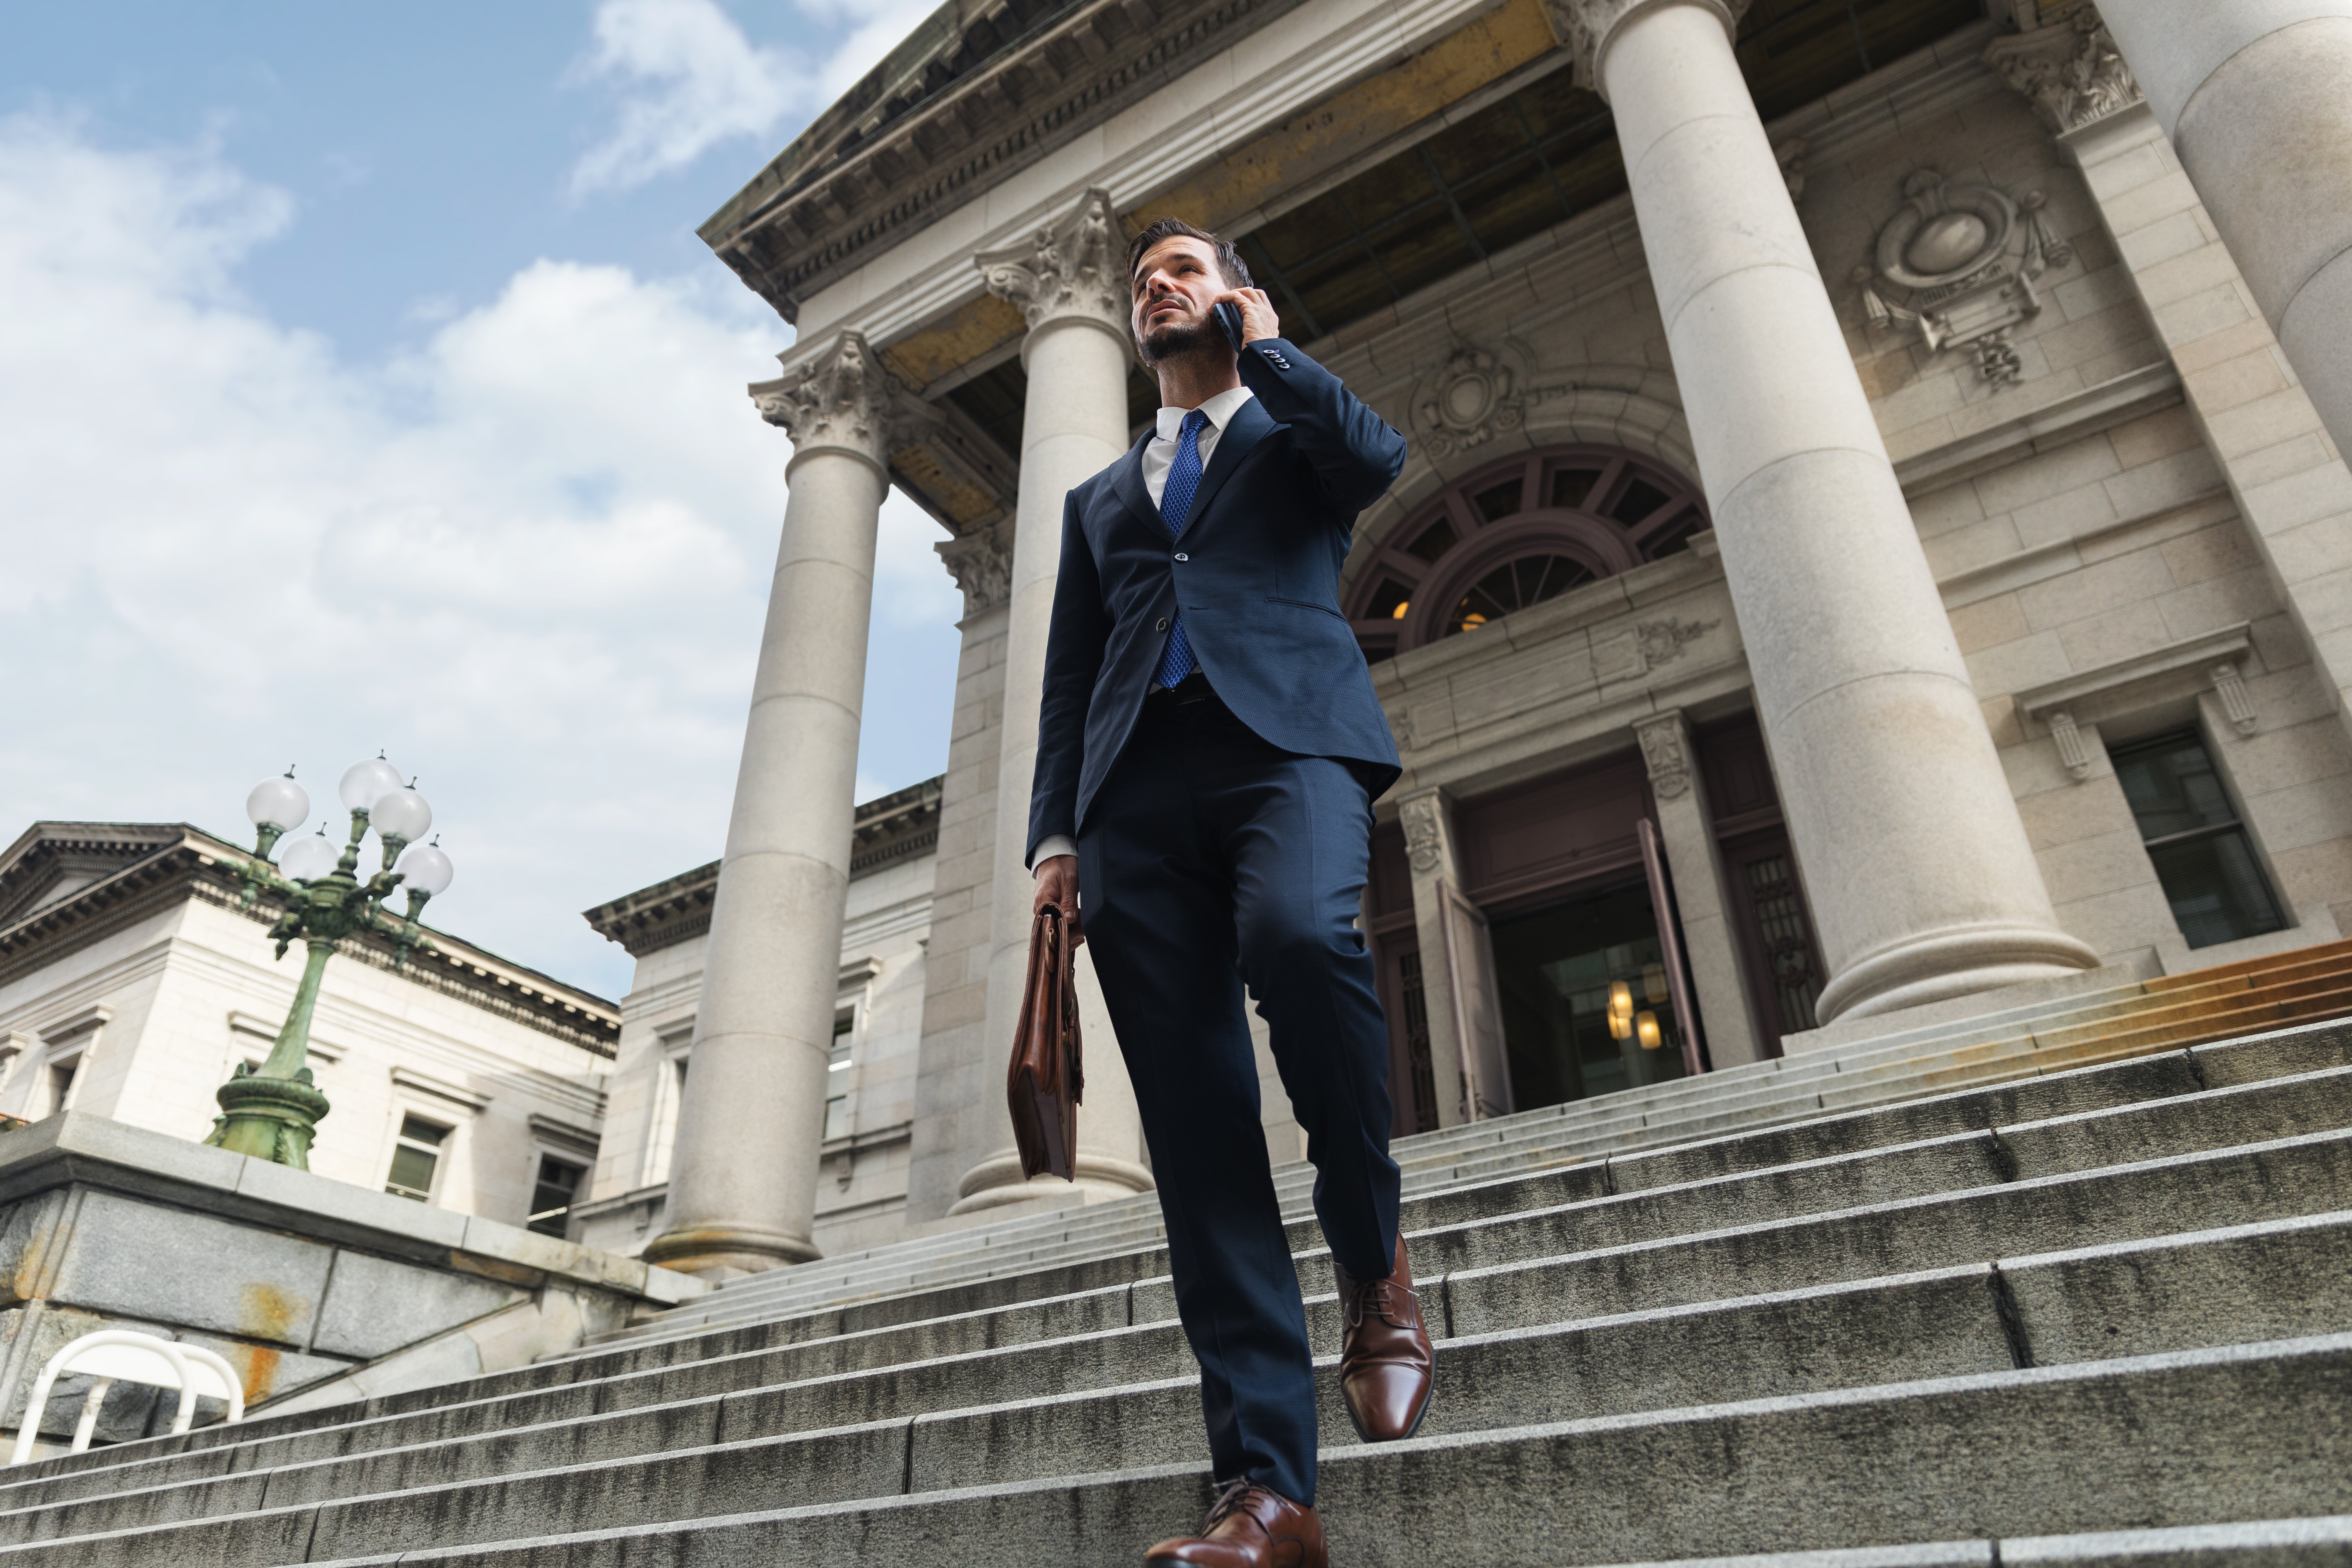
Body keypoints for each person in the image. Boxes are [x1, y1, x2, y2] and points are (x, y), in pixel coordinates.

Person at [1026, 216, 1433, 1568]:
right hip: (1134, 803)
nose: (1157, 291)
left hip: (1290, 749)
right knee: (1199, 1141)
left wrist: (1271, 348)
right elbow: (1070, 684)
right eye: (1144, 282)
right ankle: (1269, 1493)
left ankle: (1375, 1267)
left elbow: (1380, 460)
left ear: (1239, 296)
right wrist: (1055, 844)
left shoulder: (1294, 433)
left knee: (1305, 945)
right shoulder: (1098, 501)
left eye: (1183, 273)